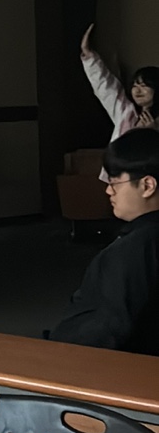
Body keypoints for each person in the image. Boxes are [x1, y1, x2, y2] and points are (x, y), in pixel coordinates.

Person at [51, 129, 159, 353]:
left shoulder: (133, 249)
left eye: (115, 182)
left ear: (147, 186)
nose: (109, 191)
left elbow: (106, 329)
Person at [81, 24, 159, 140]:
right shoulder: (126, 111)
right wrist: (88, 55)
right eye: (135, 85)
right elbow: (106, 88)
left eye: (143, 86)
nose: (137, 91)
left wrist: (153, 133)